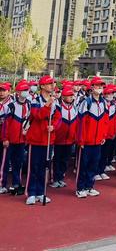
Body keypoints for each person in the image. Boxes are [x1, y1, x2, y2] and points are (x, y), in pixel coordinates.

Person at [25, 75, 61, 205]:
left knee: (44, 167)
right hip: (36, 139)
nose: (52, 86)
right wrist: (47, 105)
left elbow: (58, 118)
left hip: (48, 140)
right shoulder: (35, 100)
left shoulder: (55, 102)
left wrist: (54, 126)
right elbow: (37, 115)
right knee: (33, 167)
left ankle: (41, 191)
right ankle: (31, 193)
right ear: (42, 86)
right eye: (49, 84)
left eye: (53, 84)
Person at [76, 77, 108, 198]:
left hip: (98, 141)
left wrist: (103, 135)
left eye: (101, 86)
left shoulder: (103, 103)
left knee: (93, 165)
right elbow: (81, 123)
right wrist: (81, 140)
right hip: (86, 141)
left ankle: (89, 186)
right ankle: (80, 188)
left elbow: (105, 121)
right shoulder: (86, 102)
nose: (100, 88)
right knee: (83, 165)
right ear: (92, 87)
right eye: (98, 86)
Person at [2, 81, 31, 194]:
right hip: (10, 140)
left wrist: (27, 132)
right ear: (18, 92)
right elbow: (6, 124)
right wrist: (5, 138)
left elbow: (29, 121)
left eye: (26, 90)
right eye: (23, 90)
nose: (26, 92)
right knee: (5, 163)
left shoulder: (29, 104)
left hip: (22, 140)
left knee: (18, 163)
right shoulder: (11, 106)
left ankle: (16, 183)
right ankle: (2, 184)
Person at [51, 85, 78, 188]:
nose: (71, 97)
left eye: (72, 95)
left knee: (65, 160)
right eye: (69, 95)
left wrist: (74, 137)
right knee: (57, 160)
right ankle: (55, 179)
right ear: (63, 97)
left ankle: (61, 177)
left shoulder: (74, 107)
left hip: (69, 140)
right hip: (58, 140)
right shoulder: (58, 108)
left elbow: (75, 123)